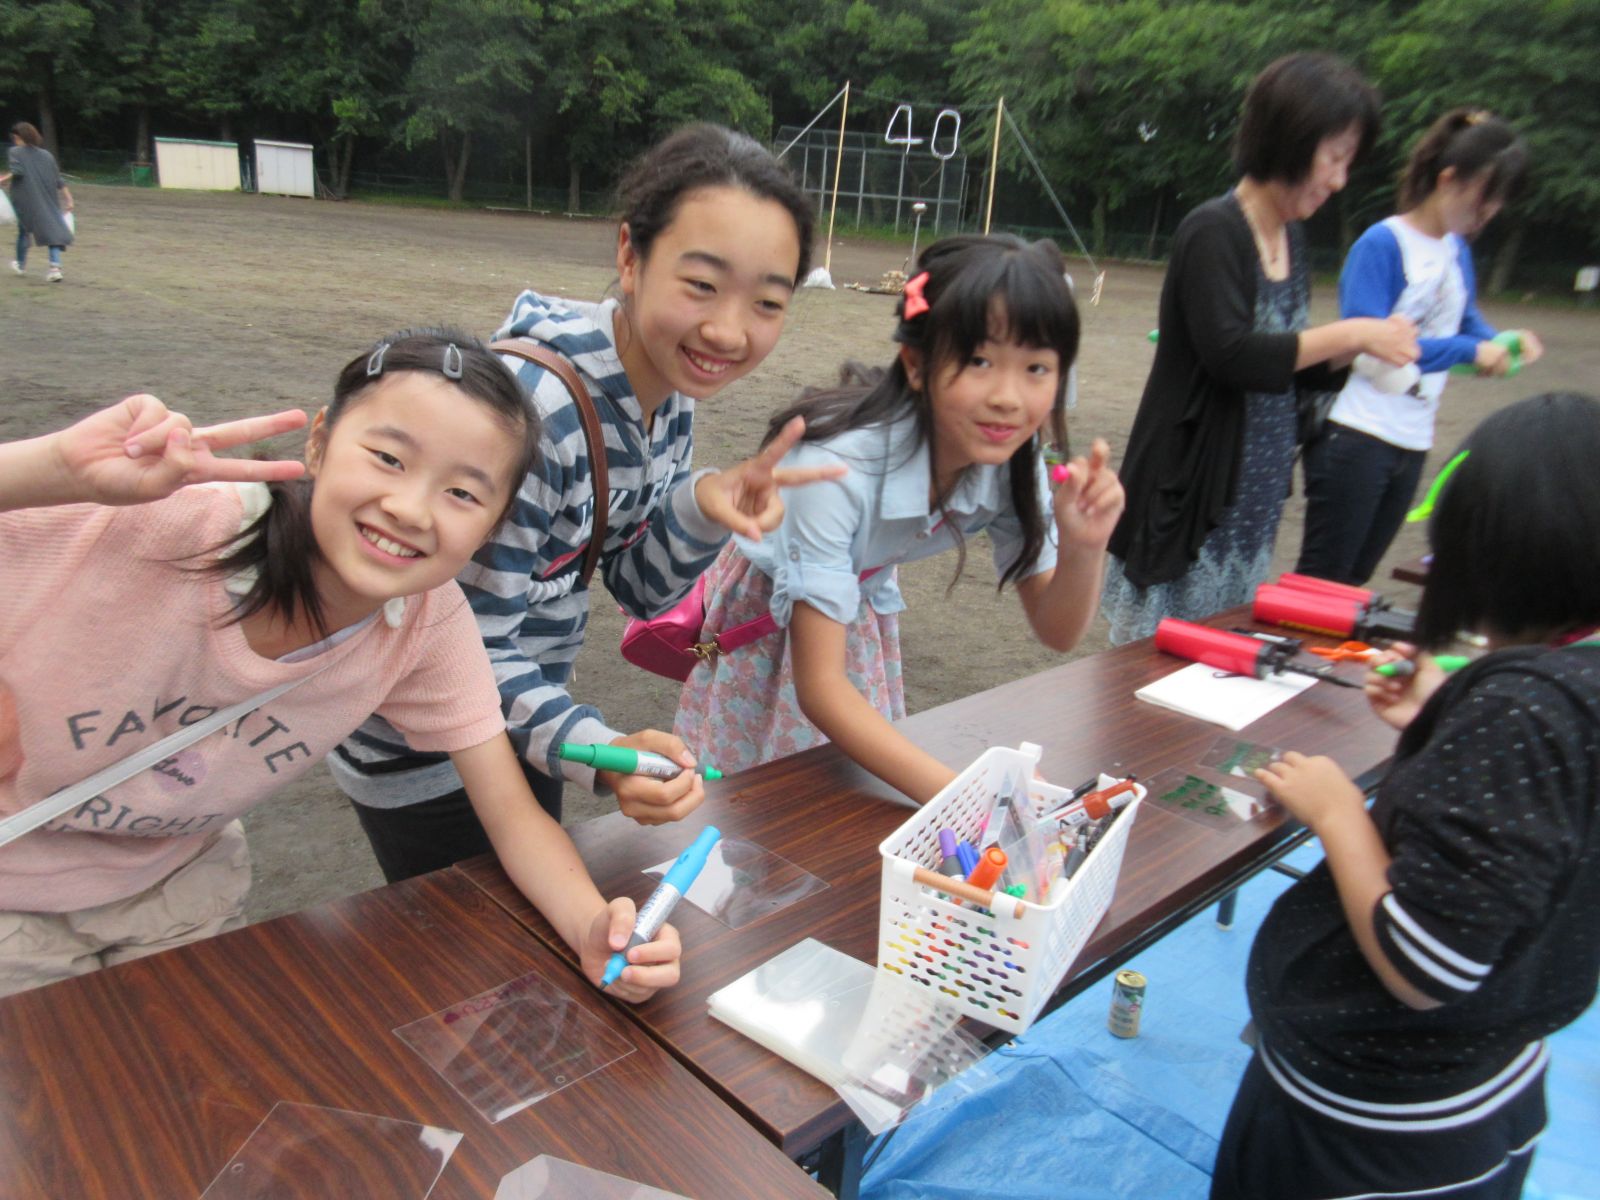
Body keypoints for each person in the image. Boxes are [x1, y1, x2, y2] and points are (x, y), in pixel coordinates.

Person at [0, 331, 682, 1002]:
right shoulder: (167, 520)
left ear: (494, 525)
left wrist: (592, 927)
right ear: (320, 442)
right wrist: (52, 465)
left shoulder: (428, 623)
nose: (410, 509)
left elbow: (513, 816)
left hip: (176, 891)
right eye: (388, 458)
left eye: (463, 494)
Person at [333, 124, 839, 881]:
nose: (728, 330)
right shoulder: (537, 415)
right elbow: (459, 647)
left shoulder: (665, 395)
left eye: (766, 301)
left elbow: (638, 587)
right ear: (630, 255)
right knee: (483, 940)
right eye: (702, 285)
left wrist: (701, 504)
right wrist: (601, 753)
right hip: (428, 752)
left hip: (525, 721)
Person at [1211, 392, 1600, 1200]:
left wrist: (1337, 813)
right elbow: (1548, 829)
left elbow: (1427, 963)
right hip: (1486, 1082)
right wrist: (1443, 719)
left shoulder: (1522, 714)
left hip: (1369, 1125)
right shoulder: (1566, 692)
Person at [673, 234, 1125, 803]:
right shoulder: (833, 470)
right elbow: (821, 689)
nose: (1009, 398)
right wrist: (968, 797)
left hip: (857, 595)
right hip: (770, 610)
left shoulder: (1014, 457)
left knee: (851, 788)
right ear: (916, 364)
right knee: (760, 797)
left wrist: (1085, 546)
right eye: (979, 361)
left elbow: (1057, 632)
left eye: (1037, 367)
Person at [1102, 54, 1420, 645]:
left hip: (1253, 494)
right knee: (1157, 663)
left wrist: (1360, 348)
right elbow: (1232, 355)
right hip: (1190, 491)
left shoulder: (1292, 237)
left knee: (1221, 661)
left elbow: (1288, 366)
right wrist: (1354, 332)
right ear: (1290, 139)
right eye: (1334, 157)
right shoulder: (1212, 230)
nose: (1339, 180)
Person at [1296, 108, 1543, 586]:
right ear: (1448, 179)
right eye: (1482, 201)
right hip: (1358, 433)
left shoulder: (1456, 249)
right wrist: (1469, 352)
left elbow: (1465, 320)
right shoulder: (1382, 244)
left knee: (1356, 578)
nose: (1487, 214)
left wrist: (1501, 342)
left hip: (1413, 439)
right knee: (1323, 581)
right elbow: (1371, 340)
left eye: (1496, 205)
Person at [2, 121, 74, 282]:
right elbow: (58, 179)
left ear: (18, 137)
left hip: (25, 200)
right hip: (48, 199)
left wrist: (2, 180)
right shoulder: (47, 155)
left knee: (24, 230)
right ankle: (55, 267)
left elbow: (17, 171)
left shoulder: (15, 151)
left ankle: (20, 264)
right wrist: (69, 198)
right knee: (52, 231)